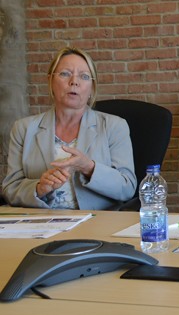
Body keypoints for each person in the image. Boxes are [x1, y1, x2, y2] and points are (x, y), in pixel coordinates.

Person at [1, 47, 136, 210]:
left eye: (84, 76)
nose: (74, 81)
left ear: (92, 88)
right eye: (65, 74)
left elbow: (127, 188)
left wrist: (89, 167)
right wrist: (39, 188)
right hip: (41, 220)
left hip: (97, 220)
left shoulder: (115, 126)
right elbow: (10, 188)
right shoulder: (23, 128)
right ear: (51, 81)